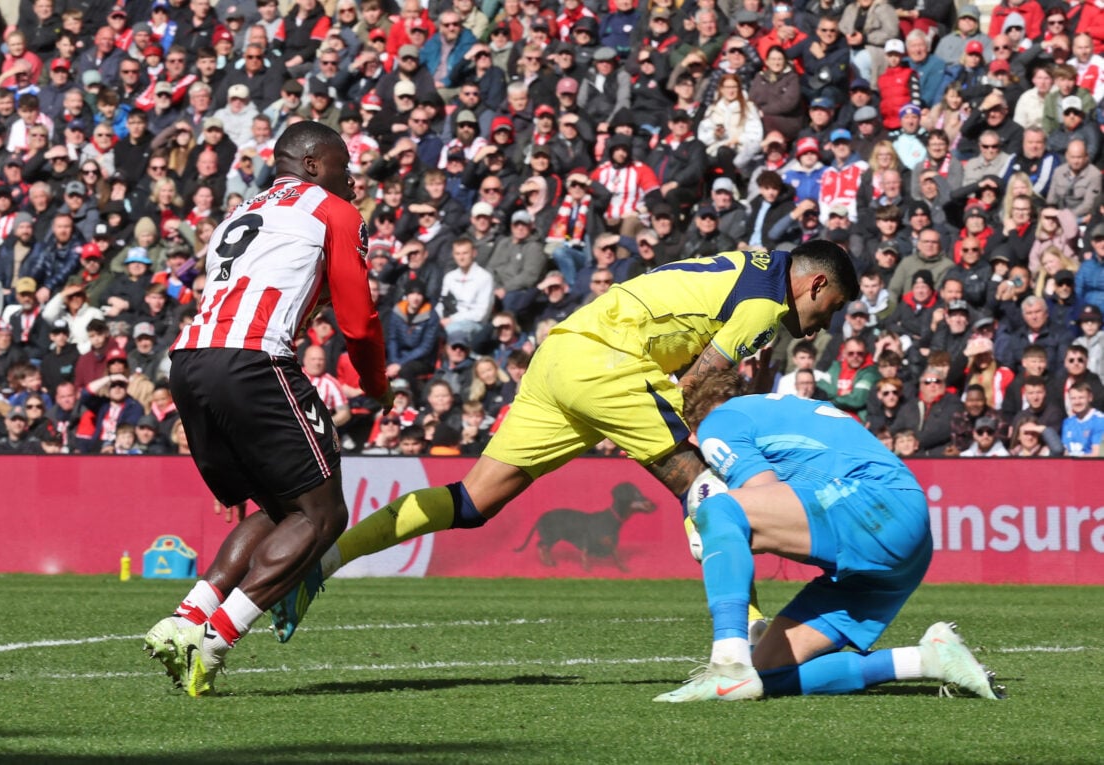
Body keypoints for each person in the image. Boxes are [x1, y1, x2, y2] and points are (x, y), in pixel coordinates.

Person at [269, 241, 860, 641]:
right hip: (611, 363)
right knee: (708, 490)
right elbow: (702, 378)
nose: (825, 325)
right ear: (815, 283)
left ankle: (321, 564)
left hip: (561, 352)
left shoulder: (753, 265)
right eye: (831, 308)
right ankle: (746, 633)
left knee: (472, 500)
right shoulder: (767, 301)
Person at [141, 122, 390, 698]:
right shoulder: (332, 210)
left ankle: (187, 618)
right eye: (343, 165)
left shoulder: (240, 211)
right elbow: (359, 321)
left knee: (284, 507)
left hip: (190, 363)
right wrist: (377, 386)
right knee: (324, 516)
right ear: (311, 165)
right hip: (253, 360)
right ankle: (215, 639)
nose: (351, 179)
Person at [651, 369, 1001, 702]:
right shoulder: (782, 407)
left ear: (691, 433)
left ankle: (727, 665)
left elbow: (761, 490)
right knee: (766, 671)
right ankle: (927, 659)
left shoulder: (718, 422)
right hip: (907, 532)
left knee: (717, 509)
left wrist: (720, 533)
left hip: (875, 506)